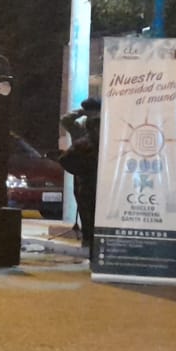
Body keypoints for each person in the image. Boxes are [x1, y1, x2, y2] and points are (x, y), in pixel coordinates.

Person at [58, 98, 102, 252]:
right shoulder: (81, 127)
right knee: (85, 207)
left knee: (88, 207)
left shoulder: (96, 126)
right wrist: (81, 113)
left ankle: (90, 239)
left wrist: (81, 113)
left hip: (90, 171)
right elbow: (65, 120)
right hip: (84, 171)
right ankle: (88, 239)